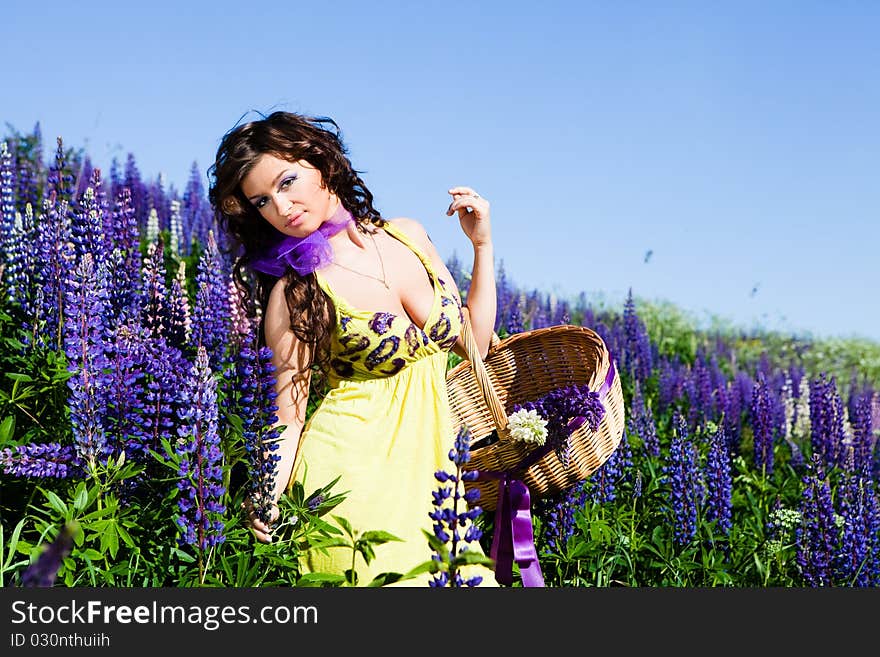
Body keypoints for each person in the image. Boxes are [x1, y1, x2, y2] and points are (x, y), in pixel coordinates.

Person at [208, 111, 498, 586]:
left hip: (439, 484)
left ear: (319, 159)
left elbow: (476, 346)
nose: (280, 207)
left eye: (286, 182)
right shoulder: (296, 291)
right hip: (353, 483)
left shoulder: (408, 234)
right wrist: (265, 497)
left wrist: (482, 247)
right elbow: (289, 416)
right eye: (262, 201)